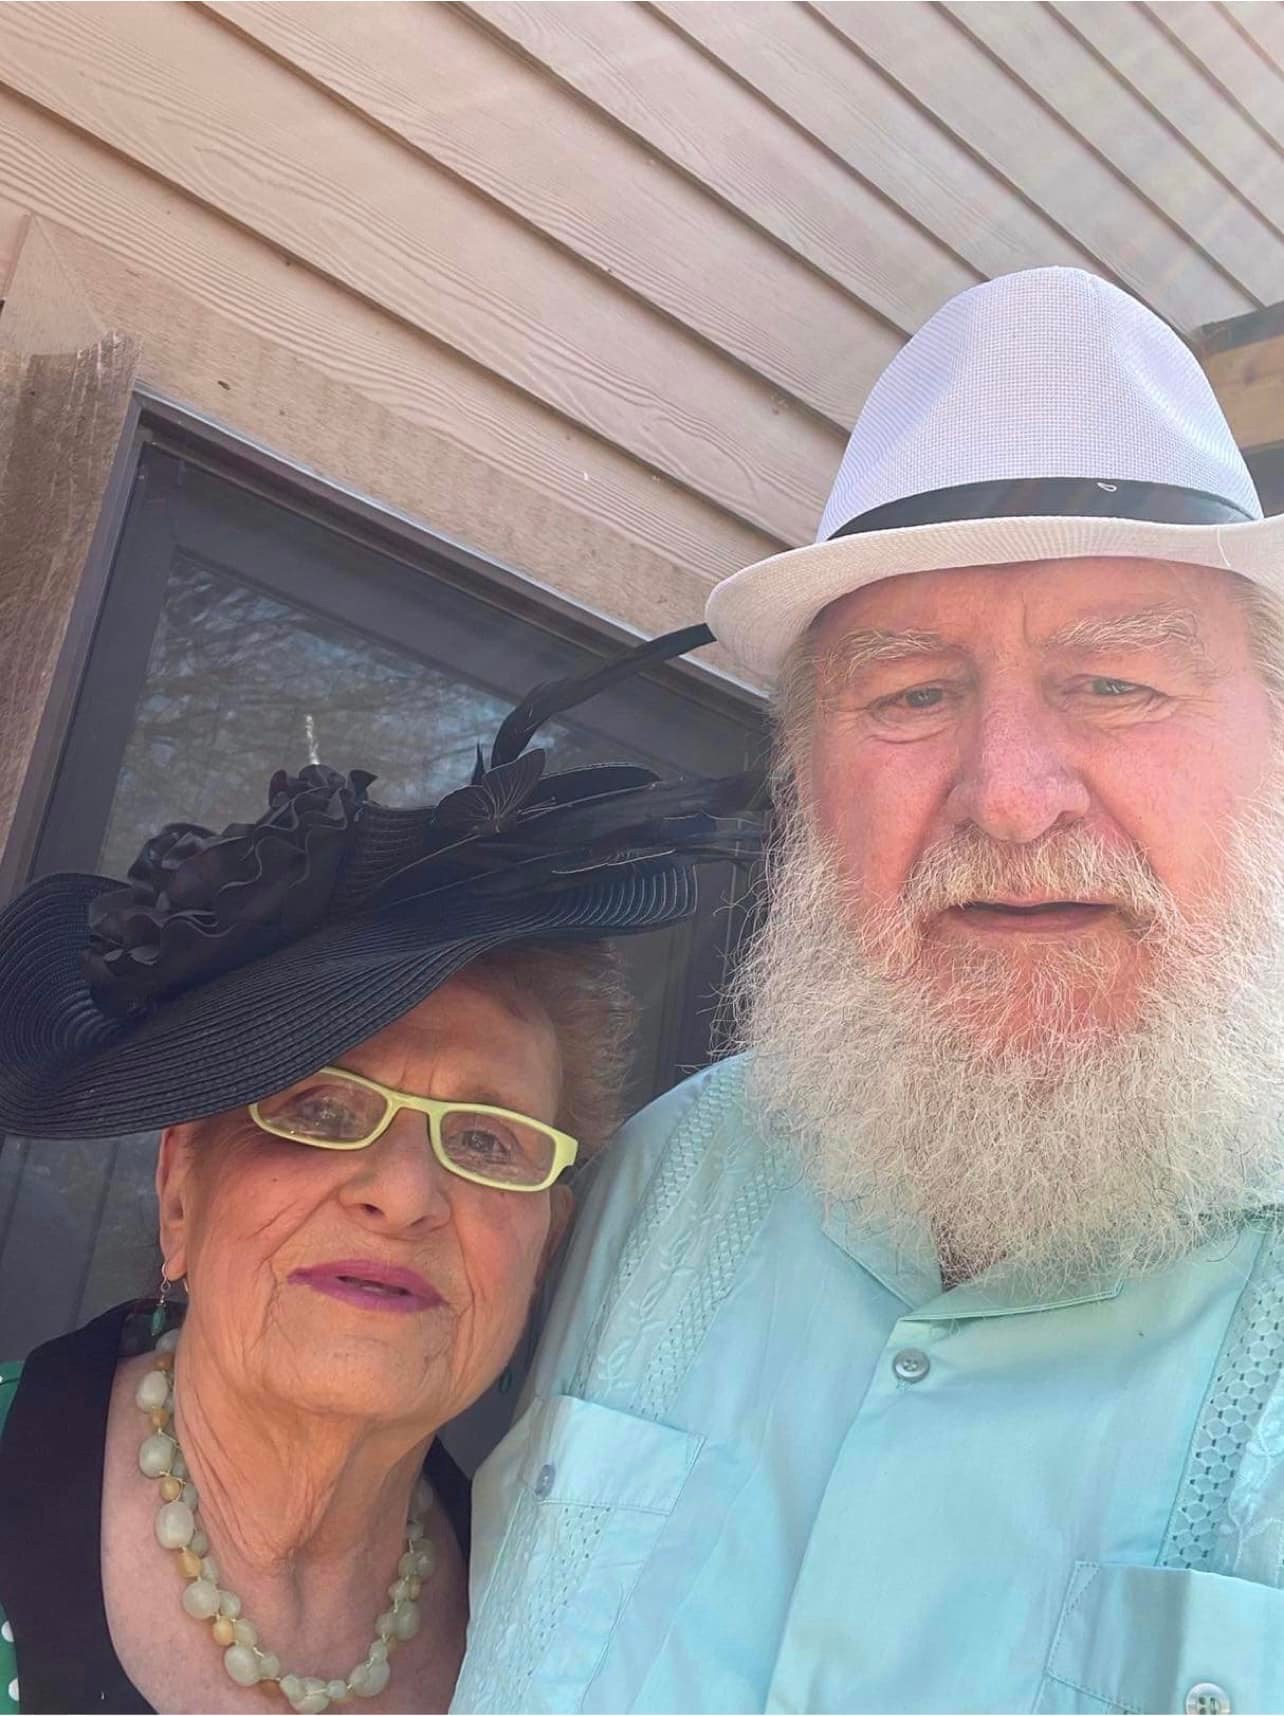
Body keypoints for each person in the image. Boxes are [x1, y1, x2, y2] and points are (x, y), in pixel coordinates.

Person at [455, 267, 1284, 1715]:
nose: (1009, 799)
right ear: (806, 781)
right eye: (910, 696)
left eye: (1117, 684)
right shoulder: (661, 1181)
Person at [0, 628, 758, 1716]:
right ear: (180, 1192)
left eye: (487, 1141)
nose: (402, 1195)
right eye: (321, 1110)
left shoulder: (569, 1637)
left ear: (543, 1247)